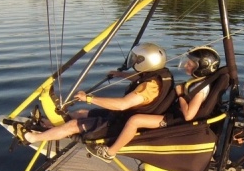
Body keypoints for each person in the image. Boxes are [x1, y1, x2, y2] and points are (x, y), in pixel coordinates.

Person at [16, 43, 175, 144]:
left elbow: (122, 105)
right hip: (123, 117)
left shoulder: (149, 87)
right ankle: (50, 126)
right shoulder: (160, 75)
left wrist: (89, 98)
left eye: (136, 59)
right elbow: (141, 78)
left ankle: (31, 138)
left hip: (123, 125)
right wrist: (121, 75)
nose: (133, 61)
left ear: (145, 62)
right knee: (79, 113)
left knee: (73, 125)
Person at [87, 46, 221, 162]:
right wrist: (121, 74)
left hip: (176, 120)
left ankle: (110, 153)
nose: (186, 65)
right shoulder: (198, 82)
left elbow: (189, 115)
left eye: (191, 64)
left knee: (135, 120)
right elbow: (143, 78)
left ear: (202, 68)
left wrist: (180, 95)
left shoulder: (201, 89)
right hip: (174, 113)